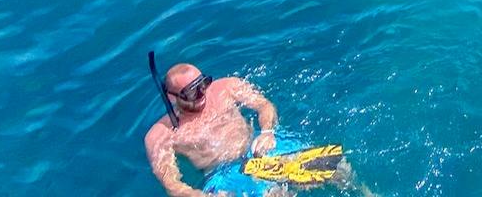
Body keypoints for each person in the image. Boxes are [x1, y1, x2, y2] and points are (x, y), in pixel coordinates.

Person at [144, 61, 359, 197]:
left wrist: (267, 132)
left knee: (339, 169)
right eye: (192, 92)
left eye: (203, 84)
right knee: (275, 195)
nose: (202, 95)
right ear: (172, 97)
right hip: (224, 174)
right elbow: (171, 184)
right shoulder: (161, 134)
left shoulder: (226, 87)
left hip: (259, 148)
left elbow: (264, 106)